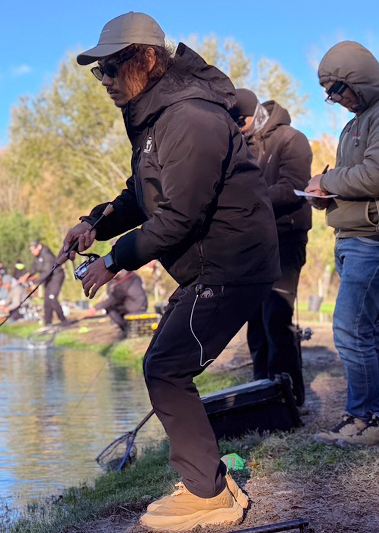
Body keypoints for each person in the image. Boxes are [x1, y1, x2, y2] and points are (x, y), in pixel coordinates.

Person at [61, 12, 280, 530]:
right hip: (211, 264)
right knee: (166, 363)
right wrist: (95, 223)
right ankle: (210, 480)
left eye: (113, 67)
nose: (107, 81)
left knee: (166, 367)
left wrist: (114, 262)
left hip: (233, 263)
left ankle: (209, 496)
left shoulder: (191, 118)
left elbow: (180, 216)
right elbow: (142, 196)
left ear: (149, 59)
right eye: (100, 72)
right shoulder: (156, 120)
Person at [305, 42, 379, 448]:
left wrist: (328, 182)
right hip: (348, 238)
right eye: (329, 94)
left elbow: (375, 174)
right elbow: (351, 181)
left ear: (358, 80)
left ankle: (365, 417)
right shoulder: (351, 126)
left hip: (370, 240)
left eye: (337, 90)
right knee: (368, 332)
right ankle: (370, 416)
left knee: (350, 331)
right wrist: (323, 197)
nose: (333, 100)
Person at [230, 88, 312, 406]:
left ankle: (289, 397)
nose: (235, 126)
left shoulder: (291, 139)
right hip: (253, 245)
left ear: (255, 114)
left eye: (239, 119)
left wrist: (247, 199)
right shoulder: (239, 148)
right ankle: (262, 393)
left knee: (277, 317)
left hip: (287, 239)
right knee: (254, 320)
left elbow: (294, 188)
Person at [89, 269, 148, 340]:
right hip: (143, 305)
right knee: (115, 306)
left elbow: (113, 300)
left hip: (133, 307)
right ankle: (127, 328)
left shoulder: (125, 282)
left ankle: (126, 328)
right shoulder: (134, 277)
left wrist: (96, 308)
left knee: (110, 309)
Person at [20, 241, 68, 326]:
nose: (32, 252)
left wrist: (36, 282)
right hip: (48, 279)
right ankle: (48, 323)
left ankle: (63, 320)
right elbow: (34, 269)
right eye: (31, 250)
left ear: (39, 247)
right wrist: (26, 276)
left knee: (52, 297)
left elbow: (47, 272)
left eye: (33, 249)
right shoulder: (37, 257)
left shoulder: (47, 255)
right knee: (47, 301)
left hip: (56, 277)